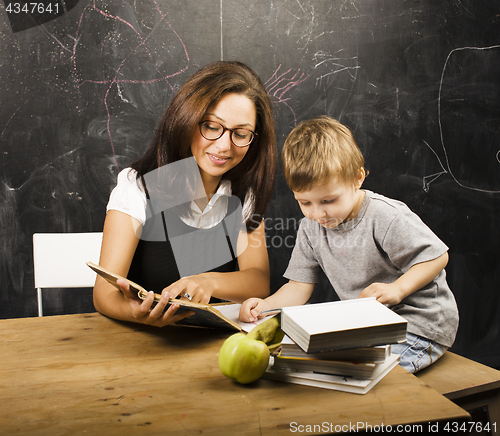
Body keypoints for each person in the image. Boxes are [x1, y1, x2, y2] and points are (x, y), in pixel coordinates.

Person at [239, 116, 459, 373]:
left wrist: (398, 289)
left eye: (329, 200)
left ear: (357, 178)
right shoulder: (311, 228)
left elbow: (436, 256)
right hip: (371, 327)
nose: (318, 213)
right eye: (305, 202)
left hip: (417, 325)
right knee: (311, 363)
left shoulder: (385, 216)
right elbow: (299, 286)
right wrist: (265, 306)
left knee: (362, 373)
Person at [94, 61, 277, 327]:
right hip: (143, 343)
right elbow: (103, 294)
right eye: (212, 127)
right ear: (186, 120)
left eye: (240, 133)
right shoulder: (137, 187)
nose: (225, 146)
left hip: (213, 344)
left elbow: (259, 281)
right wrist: (136, 313)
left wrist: (208, 281)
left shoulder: (242, 193)